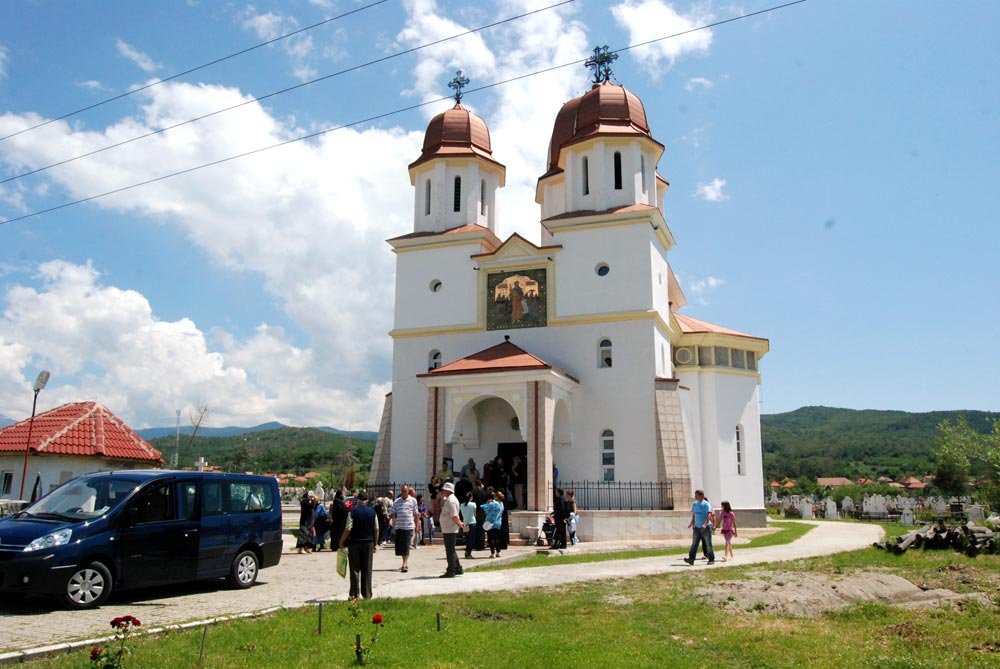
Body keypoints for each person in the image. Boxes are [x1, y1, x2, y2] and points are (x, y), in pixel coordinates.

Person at [339, 492, 378, 600]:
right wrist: (375, 543)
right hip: (368, 543)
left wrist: (342, 541)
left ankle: (354, 594)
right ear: (367, 501)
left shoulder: (352, 512)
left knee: (355, 569)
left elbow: (348, 528)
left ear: (357, 501)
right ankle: (367, 594)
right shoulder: (372, 512)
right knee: (367, 569)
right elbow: (376, 529)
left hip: (354, 543)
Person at [438, 482, 466, 578]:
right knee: (451, 549)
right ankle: (458, 568)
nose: (443, 492)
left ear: (448, 490)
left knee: (449, 551)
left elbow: (454, 516)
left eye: (444, 490)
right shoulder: (449, 500)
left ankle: (451, 570)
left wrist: (460, 524)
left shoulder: (451, 501)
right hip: (448, 528)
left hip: (450, 529)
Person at [389, 485, 420, 573]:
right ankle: (404, 562)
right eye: (402, 491)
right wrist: (392, 520)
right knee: (401, 546)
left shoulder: (413, 500)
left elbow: (416, 514)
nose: (403, 492)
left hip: (408, 526)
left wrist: (417, 525)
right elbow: (393, 512)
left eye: (405, 491)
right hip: (399, 526)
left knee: (406, 545)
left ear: (408, 491)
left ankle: (405, 564)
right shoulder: (397, 501)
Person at [684, 489, 715, 566]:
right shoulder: (694, 504)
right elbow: (694, 514)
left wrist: (705, 524)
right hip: (697, 528)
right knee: (694, 544)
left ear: (701, 495)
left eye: (696, 495)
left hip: (706, 528)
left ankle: (711, 559)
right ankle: (691, 559)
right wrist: (692, 523)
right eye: (695, 495)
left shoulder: (706, 504)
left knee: (708, 544)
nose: (695, 496)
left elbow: (709, 514)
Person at [482, 492, 504, 558]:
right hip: (498, 522)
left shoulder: (493, 503)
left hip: (490, 522)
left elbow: (484, 507)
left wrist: (487, 503)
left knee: (490, 538)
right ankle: (498, 552)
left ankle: (492, 553)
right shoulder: (502, 504)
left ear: (496, 497)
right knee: (496, 538)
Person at [460, 491, 478, 559]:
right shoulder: (473, 504)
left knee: (467, 538)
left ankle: (467, 551)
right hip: (472, 522)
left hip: (465, 523)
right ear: (471, 497)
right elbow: (474, 514)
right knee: (472, 539)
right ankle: (469, 552)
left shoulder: (462, 505)